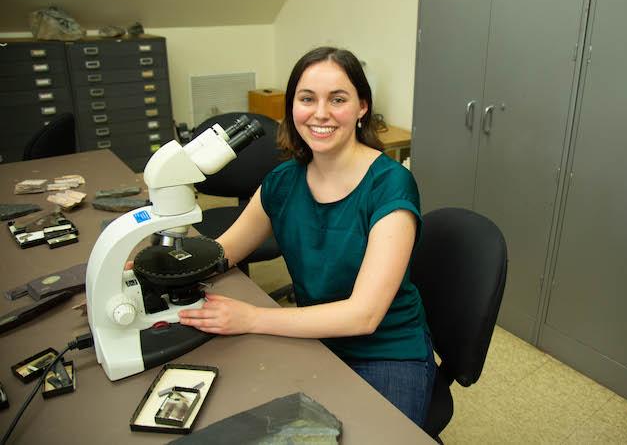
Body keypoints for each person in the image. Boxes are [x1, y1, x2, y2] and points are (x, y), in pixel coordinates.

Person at [178, 47, 435, 427]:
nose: (320, 113)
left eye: (338, 99)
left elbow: (363, 316)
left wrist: (252, 318)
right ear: (292, 107)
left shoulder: (391, 185)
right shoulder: (283, 182)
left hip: (386, 350)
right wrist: (167, 264)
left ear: (362, 107)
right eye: (307, 99)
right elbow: (224, 251)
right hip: (315, 337)